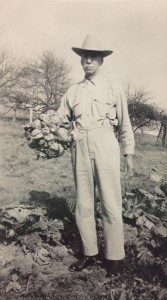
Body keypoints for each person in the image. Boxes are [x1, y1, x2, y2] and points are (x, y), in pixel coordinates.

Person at [56, 34, 135, 277]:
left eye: (93, 57)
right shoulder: (73, 91)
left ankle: (115, 257)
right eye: (84, 57)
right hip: (80, 143)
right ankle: (89, 253)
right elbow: (59, 120)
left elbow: (125, 124)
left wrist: (128, 153)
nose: (87, 61)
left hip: (105, 142)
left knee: (111, 202)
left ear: (101, 61)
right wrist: (61, 132)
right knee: (83, 202)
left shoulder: (113, 87)